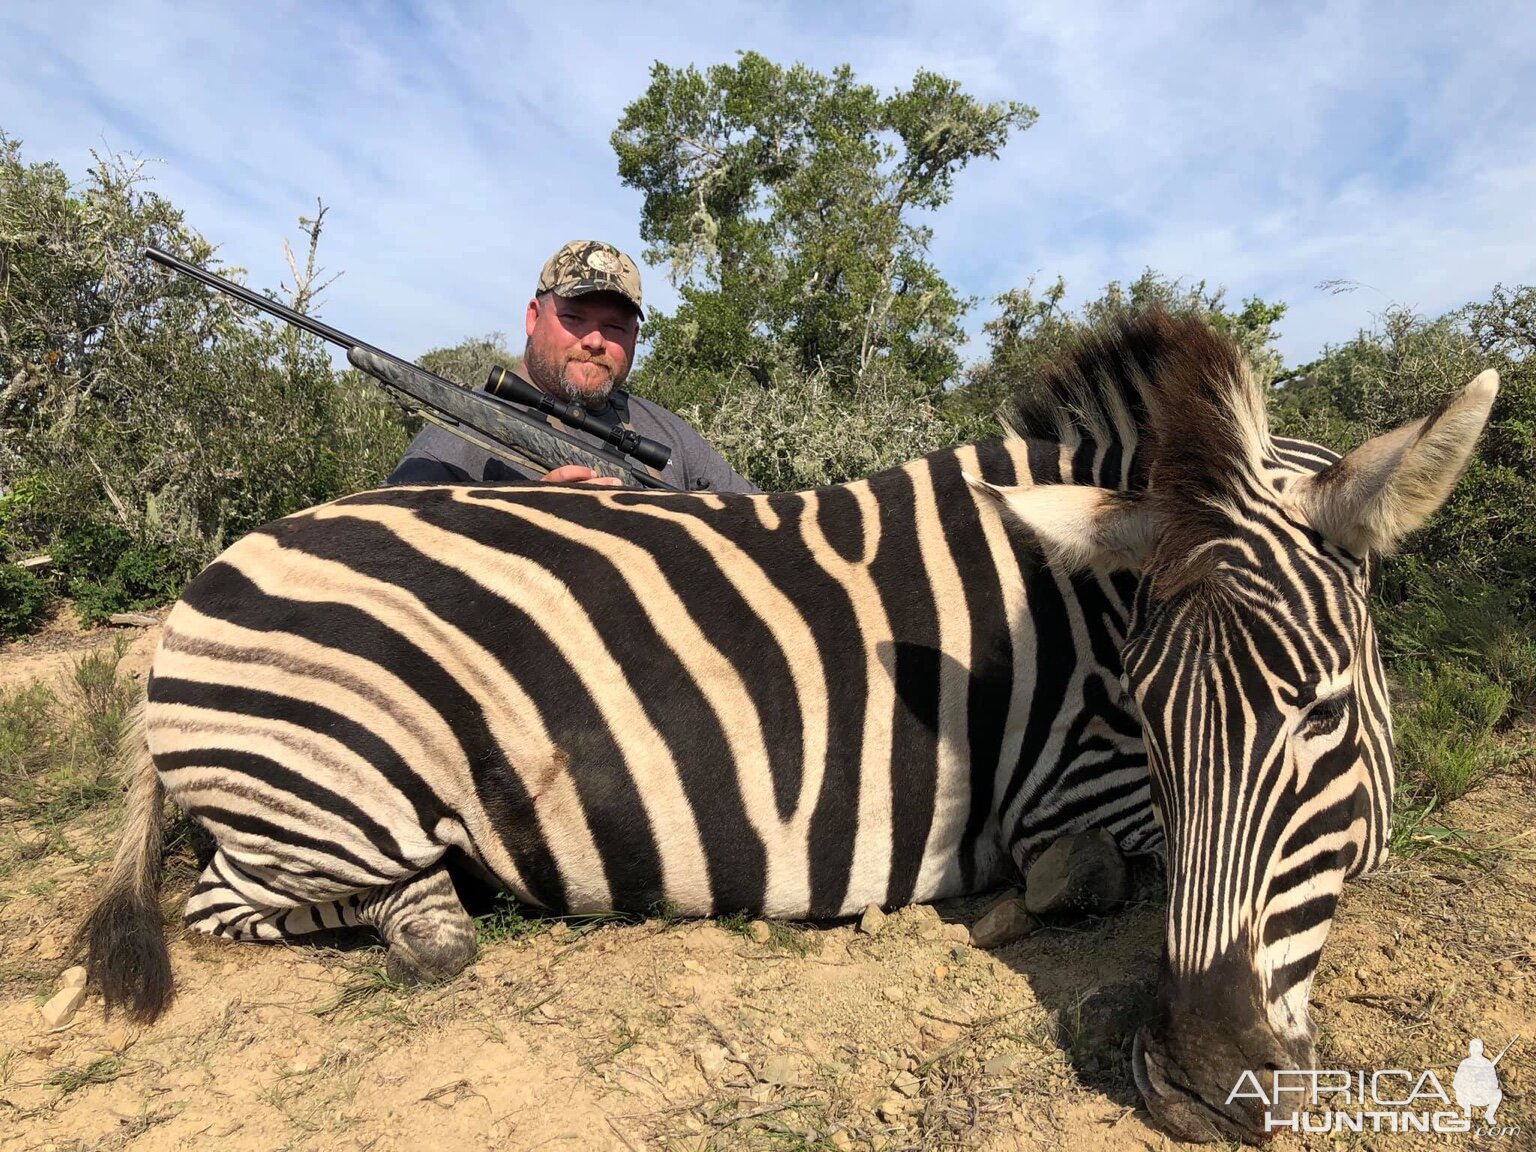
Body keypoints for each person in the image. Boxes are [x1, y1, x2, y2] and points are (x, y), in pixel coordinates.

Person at [388, 240, 758, 494]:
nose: (595, 341)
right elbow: (391, 563)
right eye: (575, 318)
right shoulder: (461, 433)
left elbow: (757, 518)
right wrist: (526, 521)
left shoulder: (669, 436)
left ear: (635, 338)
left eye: (614, 327)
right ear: (533, 318)